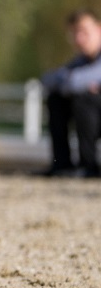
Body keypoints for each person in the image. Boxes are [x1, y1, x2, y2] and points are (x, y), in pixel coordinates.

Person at [39, 9, 101, 178]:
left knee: (84, 99)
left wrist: (74, 82)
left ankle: (89, 166)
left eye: (84, 32)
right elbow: (47, 79)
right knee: (56, 99)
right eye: (75, 34)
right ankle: (61, 164)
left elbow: (74, 81)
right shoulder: (81, 61)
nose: (79, 39)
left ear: (99, 29)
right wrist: (79, 83)